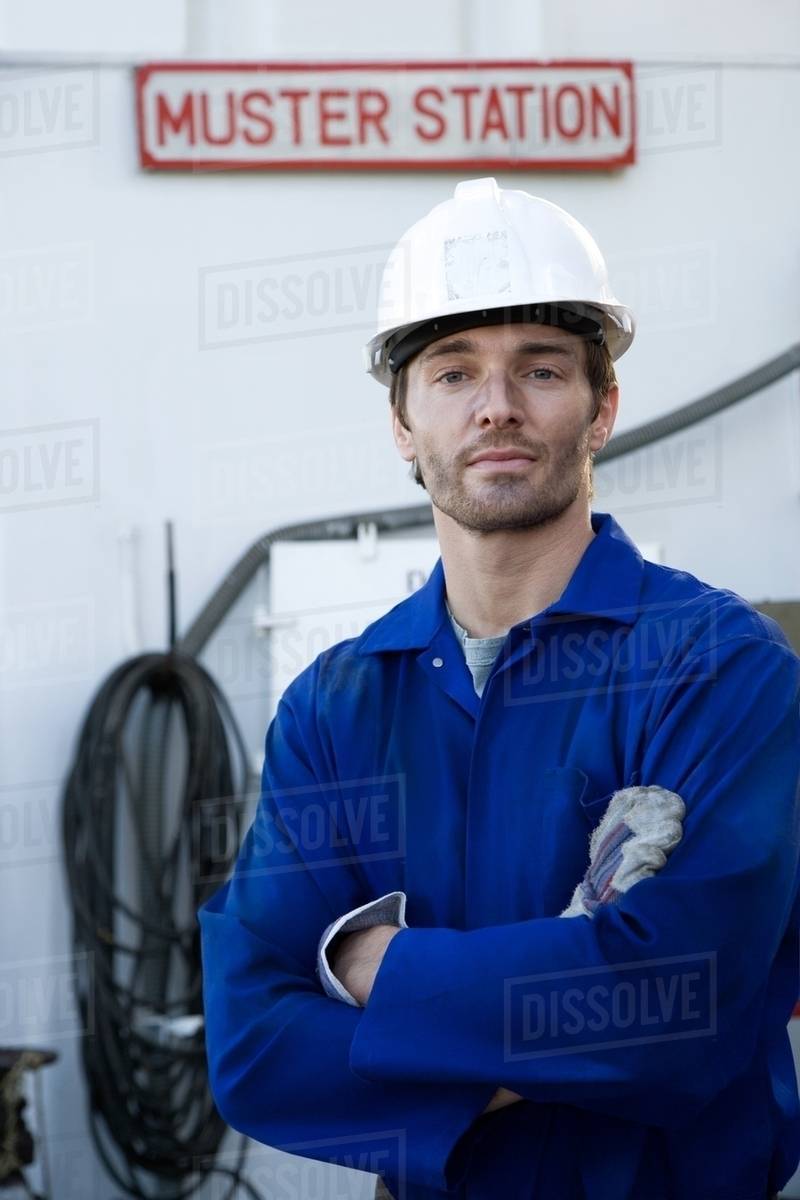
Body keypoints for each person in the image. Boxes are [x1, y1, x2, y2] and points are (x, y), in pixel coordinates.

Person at [198, 178, 800, 1200]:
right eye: (451, 372)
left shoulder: (718, 669)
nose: (495, 406)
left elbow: (677, 1008)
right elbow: (254, 1046)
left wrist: (374, 973)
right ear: (401, 423)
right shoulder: (336, 709)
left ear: (601, 407)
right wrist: (574, 1009)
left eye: (540, 368)